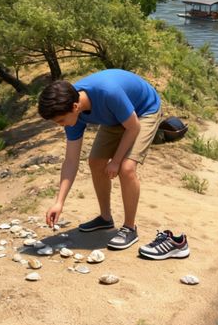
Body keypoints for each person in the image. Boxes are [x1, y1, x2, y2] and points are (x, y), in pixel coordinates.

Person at [37, 68, 163, 251]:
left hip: (143, 111)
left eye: (61, 121)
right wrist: (59, 202)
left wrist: (116, 160)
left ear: (75, 107)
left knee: (126, 168)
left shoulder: (107, 92)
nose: (61, 125)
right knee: (95, 162)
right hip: (116, 116)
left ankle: (130, 228)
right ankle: (105, 219)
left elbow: (133, 127)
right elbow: (71, 161)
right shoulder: (73, 113)